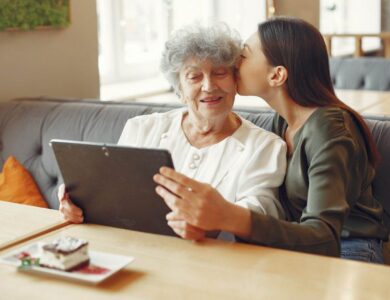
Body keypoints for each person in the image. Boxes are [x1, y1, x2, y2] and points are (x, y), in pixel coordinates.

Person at [154, 17, 388, 263]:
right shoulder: (283, 122)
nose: (234, 63)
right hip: (302, 247)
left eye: (243, 55)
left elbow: (325, 237)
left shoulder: (330, 128)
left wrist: (228, 216)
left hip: (348, 250)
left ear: (276, 75)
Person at [59, 23, 287, 240]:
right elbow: (110, 193)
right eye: (194, 76)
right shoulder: (141, 129)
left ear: (235, 81)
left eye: (219, 73)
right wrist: (79, 202)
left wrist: (213, 223)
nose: (209, 86)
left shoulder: (265, 146)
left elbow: (261, 214)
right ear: (179, 90)